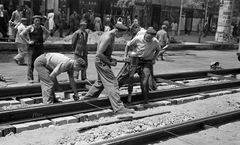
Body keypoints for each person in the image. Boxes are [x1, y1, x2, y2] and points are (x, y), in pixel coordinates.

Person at [81, 22, 135, 114]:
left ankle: (87, 100)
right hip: (102, 63)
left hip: (102, 61)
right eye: (121, 34)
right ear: (117, 31)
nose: (121, 36)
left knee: (100, 83)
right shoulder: (107, 37)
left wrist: (111, 58)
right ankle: (118, 108)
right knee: (113, 83)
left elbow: (104, 52)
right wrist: (109, 62)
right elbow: (99, 53)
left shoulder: (111, 36)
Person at [117, 27, 161, 105]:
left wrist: (154, 58)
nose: (149, 39)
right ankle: (113, 94)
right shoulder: (138, 39)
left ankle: (145, 98)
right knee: (123, 77)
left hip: (146, 62)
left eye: (151, 38)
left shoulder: (155, 41)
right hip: (135, 60)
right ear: (145, 34)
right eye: (148, 37)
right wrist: (125, 56)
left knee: (145, 81)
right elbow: (128, 45)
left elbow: (158, 49)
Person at [20, 15, 50, 83]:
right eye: (36, 21)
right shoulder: (30, 27)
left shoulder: (42, 27)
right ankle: (30, 78)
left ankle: (41, 78)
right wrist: (28, 41)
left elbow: (48, 33)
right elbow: (21, 34)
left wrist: (44, 39)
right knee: (31, 63)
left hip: (40, 46)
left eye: (39, 21)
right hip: (32, 47)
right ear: (33, 21)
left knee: (41, 62)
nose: (37, 22)